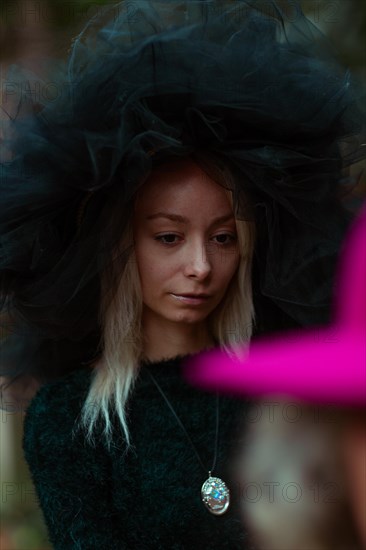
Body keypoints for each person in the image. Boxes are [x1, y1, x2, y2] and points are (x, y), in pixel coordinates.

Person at [0, 1, 365, 548]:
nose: (200, 267)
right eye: (169, 237)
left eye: (222, 238)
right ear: (121, 246)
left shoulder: (288, 395)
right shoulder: (69, 420)